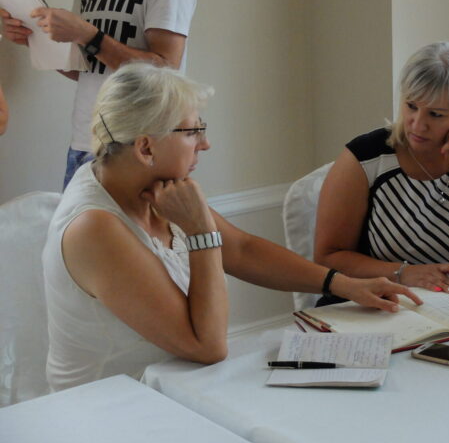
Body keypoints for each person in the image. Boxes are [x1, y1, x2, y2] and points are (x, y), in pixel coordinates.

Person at [42, 62, 422, 391]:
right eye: (192, 131)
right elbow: (207, 346)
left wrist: (344, 284)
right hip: (113, 411)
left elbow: (241, 249)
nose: (205, 143)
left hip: (178, 385)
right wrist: (199, 231)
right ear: (145, 148)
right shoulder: (95, 228)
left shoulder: (152, 188)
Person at [314, 42, 449, 305]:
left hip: (446, 307)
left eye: (436, 114)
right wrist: (403, 273)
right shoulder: (365, 158)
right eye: (411, 106)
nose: (418, 125)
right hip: (363, 303)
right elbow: (328, 257)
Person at [0, 0, 196, 188]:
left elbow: (165, 70)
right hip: (85, 143)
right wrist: (32, 38)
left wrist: (88, 35)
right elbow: (85, 69)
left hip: (138, 147)